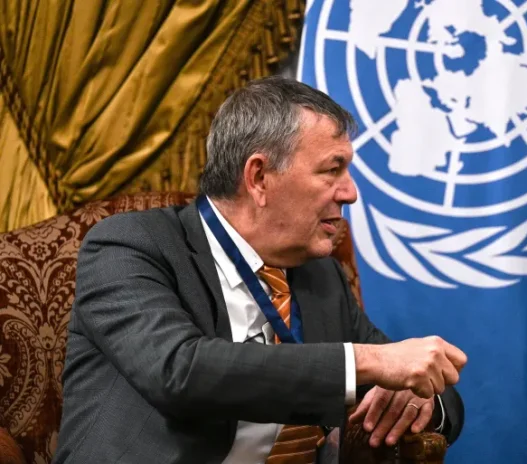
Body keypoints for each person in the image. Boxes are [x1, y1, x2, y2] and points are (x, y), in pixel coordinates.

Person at [54, 76, 466, 464]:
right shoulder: (129, 245)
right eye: (332, 169)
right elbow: (178, 371)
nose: (350, 192)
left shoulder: (321, 277)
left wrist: (421, 398)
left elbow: (422, 381)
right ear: (259, 177)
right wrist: (368, 362)